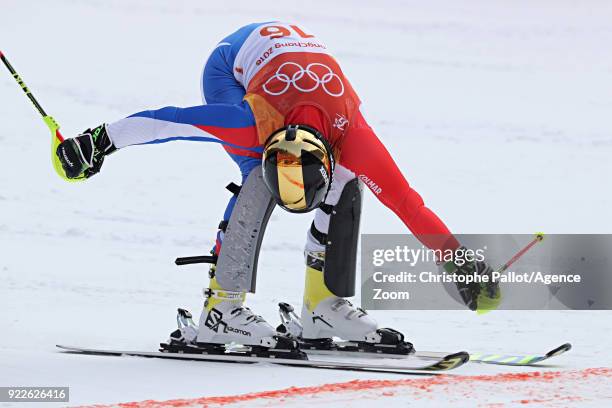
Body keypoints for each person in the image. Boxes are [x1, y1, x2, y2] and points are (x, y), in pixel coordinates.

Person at [56, 21, 499, 354]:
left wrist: (458, 262)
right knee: (256, 178)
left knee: (348, 183)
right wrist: (97, 142)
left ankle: (321, 306)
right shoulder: (249, 124)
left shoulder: (352, 137)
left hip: (295, 76)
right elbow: (165, 120)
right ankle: (221, 310)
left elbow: (406, 202)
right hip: (230, 68)